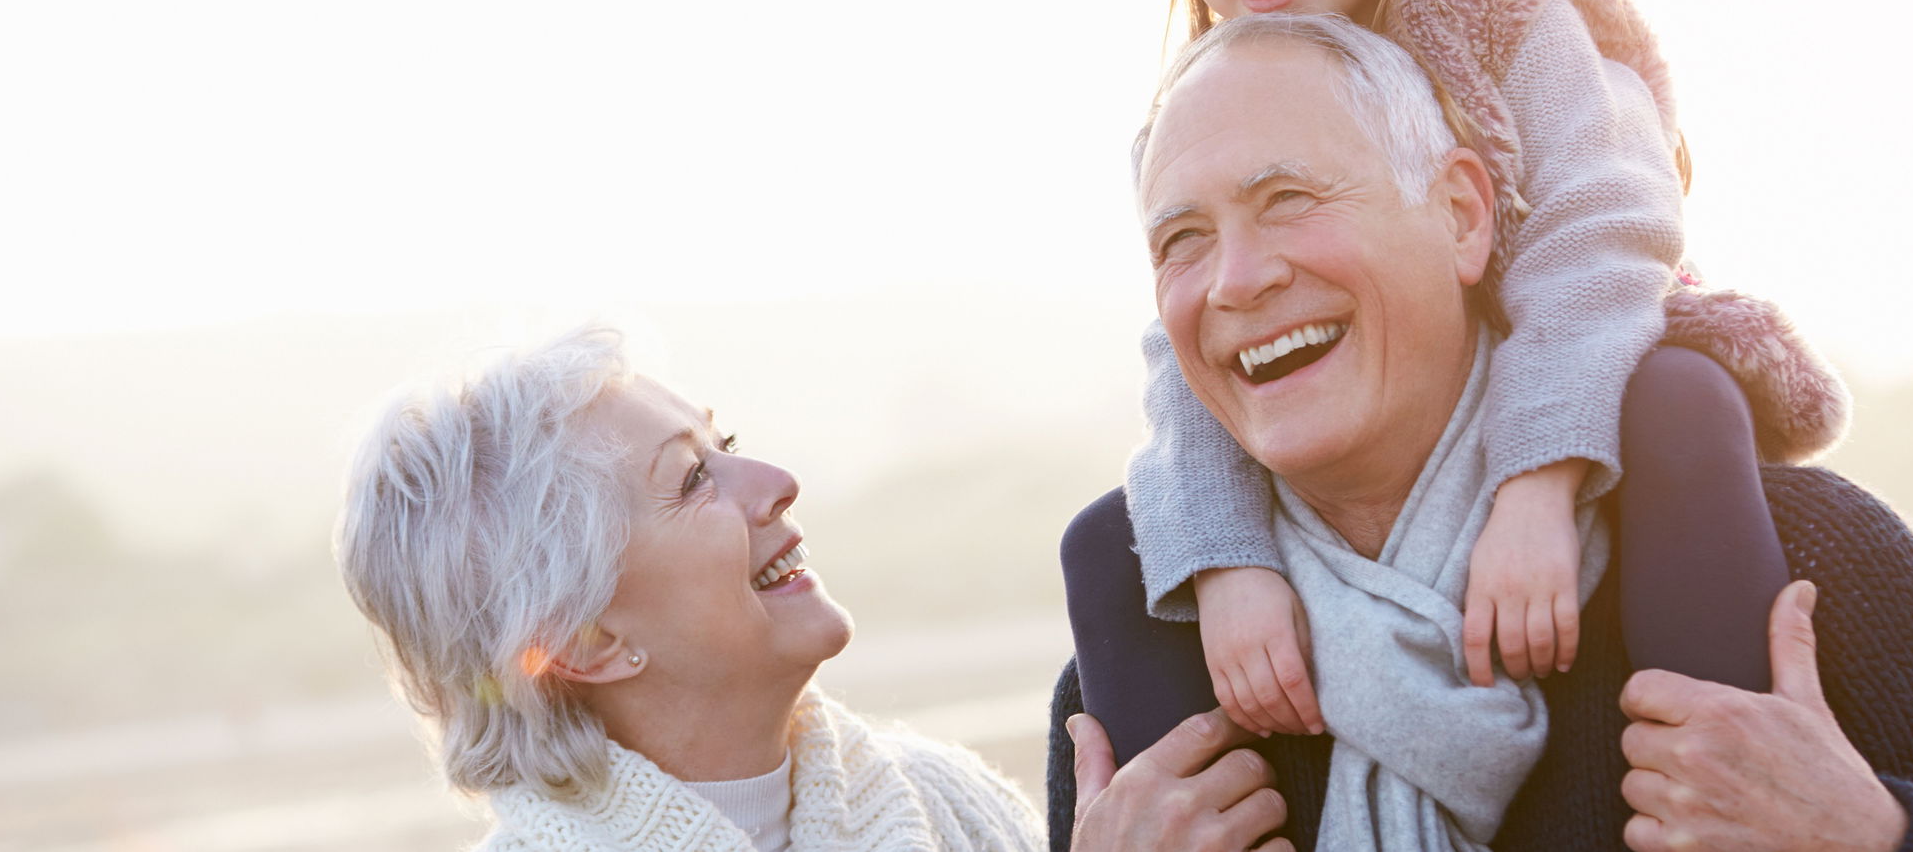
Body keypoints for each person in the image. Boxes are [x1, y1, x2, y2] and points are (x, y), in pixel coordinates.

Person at [1049, 13, 1913, 850]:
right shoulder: (1145, 703)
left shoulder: (1798, 563)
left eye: (1288, 200)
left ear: (1461, 214)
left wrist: (1869, 839)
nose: (1236, 278)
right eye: (1182, 241)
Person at [1123, 0, 1849, 756]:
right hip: (1377, 412)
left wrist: (1534, 483)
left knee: (1681, 400)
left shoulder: (1503, 1)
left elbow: (1603, 227)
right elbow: (1192, 337)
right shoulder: (1220, 94)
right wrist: (1227, 561)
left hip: (1574, 357)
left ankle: (1712, 764)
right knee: (1111, 545)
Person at [336, 327, 1287, 851]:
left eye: (729, 446)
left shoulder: (938, 798)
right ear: (583, 640)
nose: (775, 481)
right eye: (692, 479)